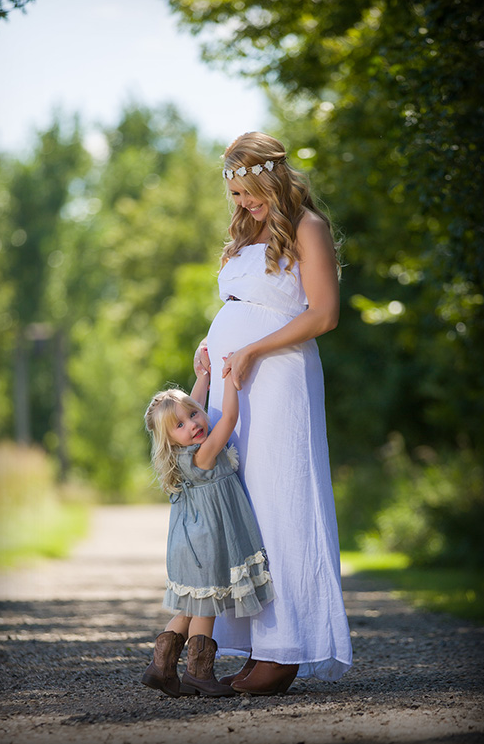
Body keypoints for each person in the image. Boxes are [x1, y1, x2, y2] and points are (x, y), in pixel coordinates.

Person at [193, 131, 353, 696]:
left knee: (281, 499)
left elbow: (324, 314)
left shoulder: (309, 227)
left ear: (274, 177)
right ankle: (259, 643)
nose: (242, 203)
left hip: (279, 378)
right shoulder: (246, 232)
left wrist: (256, 348)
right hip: (232, 380)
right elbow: (240, 304)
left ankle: (286, 649)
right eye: (234, 194)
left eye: (250, 191)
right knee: (242, 505)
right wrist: (211, 348)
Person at [141, 359, 275, 698]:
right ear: (171, 439)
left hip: (189, 544)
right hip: (207, 545)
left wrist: (203, 377)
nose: (193, 425)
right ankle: (199, 674)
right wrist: (229, 380)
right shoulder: (203, 455)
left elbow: (193, 404)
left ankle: (161, 667)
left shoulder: (182, 456)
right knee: (204, 609)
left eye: (194, 415)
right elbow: (228, 419)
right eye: (181, 425)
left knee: (190, 607)